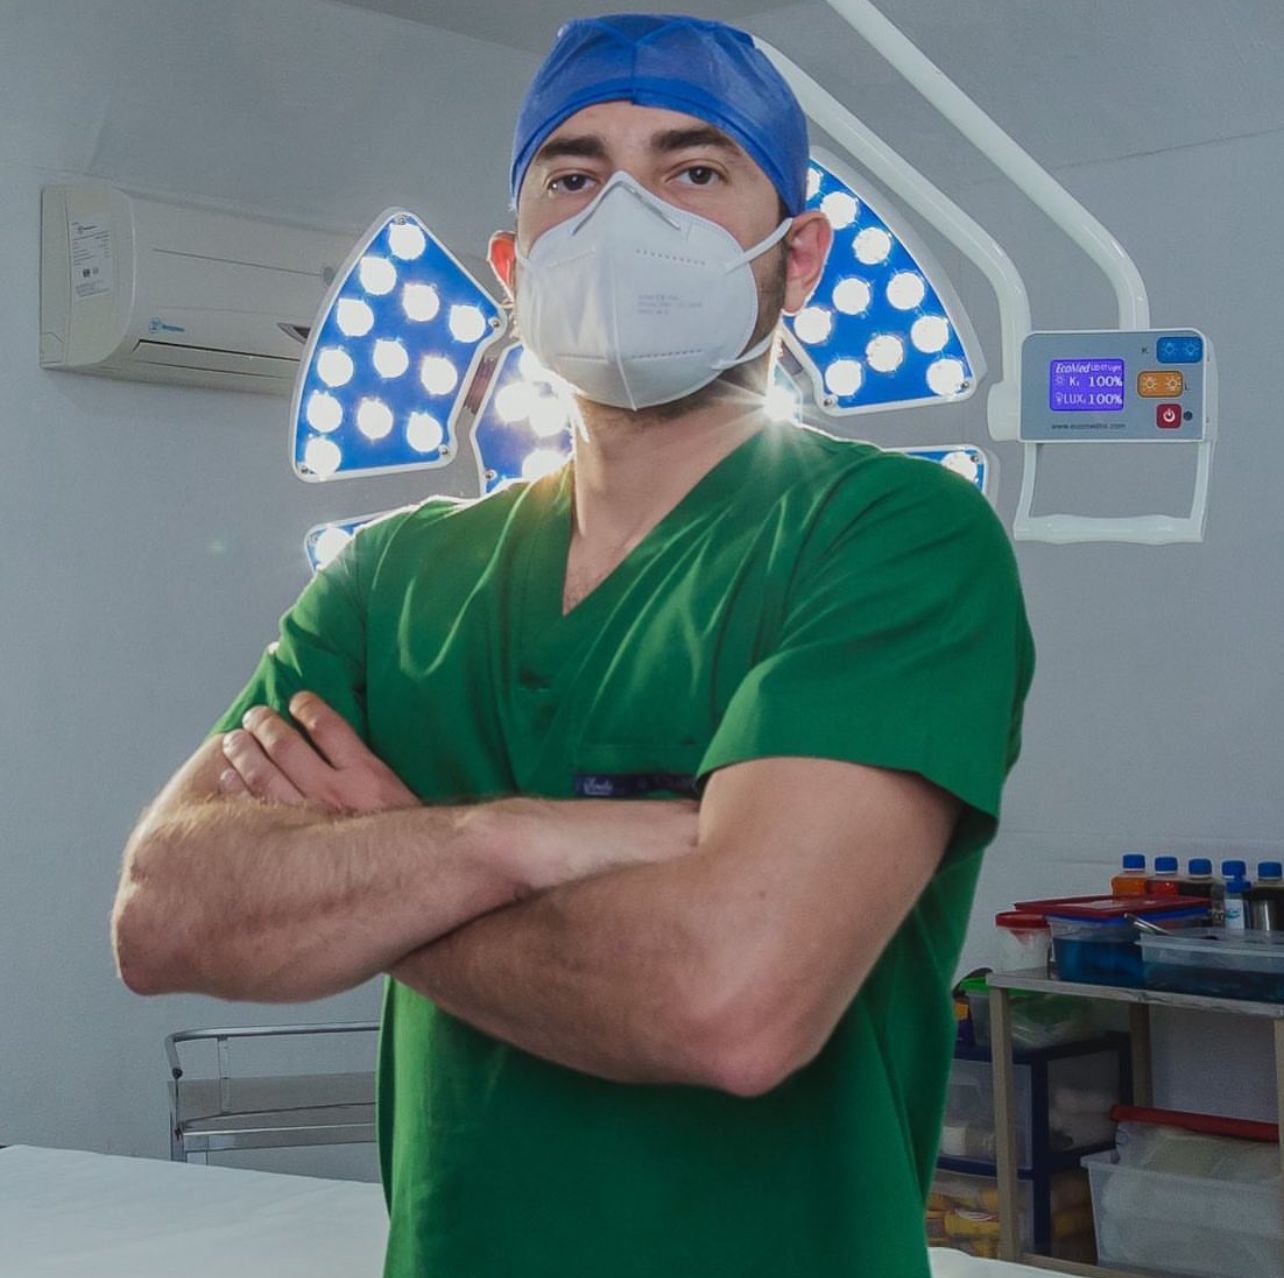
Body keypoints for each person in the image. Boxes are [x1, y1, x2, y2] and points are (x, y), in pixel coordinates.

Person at [111, 13, 1035, 1277]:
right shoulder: (396, 578)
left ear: (800, 256)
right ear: (515, 263)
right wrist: (507, 838)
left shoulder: (890, 537)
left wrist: (377, 869)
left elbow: (732, 1003)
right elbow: (165, 913)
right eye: (575, 177)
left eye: (693, 170)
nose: (626, 217)